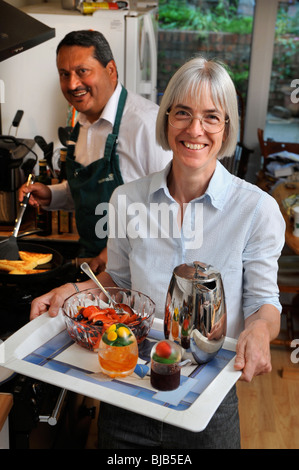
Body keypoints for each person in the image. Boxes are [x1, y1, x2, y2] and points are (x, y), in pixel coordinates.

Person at [29, 56, 285, 449]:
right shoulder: (127, 199)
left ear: (226, 127)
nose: (194, 129)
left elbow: (264, 302)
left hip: (208, 406)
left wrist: (259, 331)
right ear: (166, 119)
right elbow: (118, 283)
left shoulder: (256, 210)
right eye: (182, 113)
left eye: (211, 117)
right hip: (126, 390)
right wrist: (75, 292)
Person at [19, 30, 171, 272]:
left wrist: (114, 250)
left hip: (138, 272)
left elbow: (171, 210)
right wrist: (51, 194)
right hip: (92, 265)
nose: (72, 84)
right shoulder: (83, 124)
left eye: (82, 71)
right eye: (64, 74)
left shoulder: (147, 124)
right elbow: (89, 193)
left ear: (110, 70)